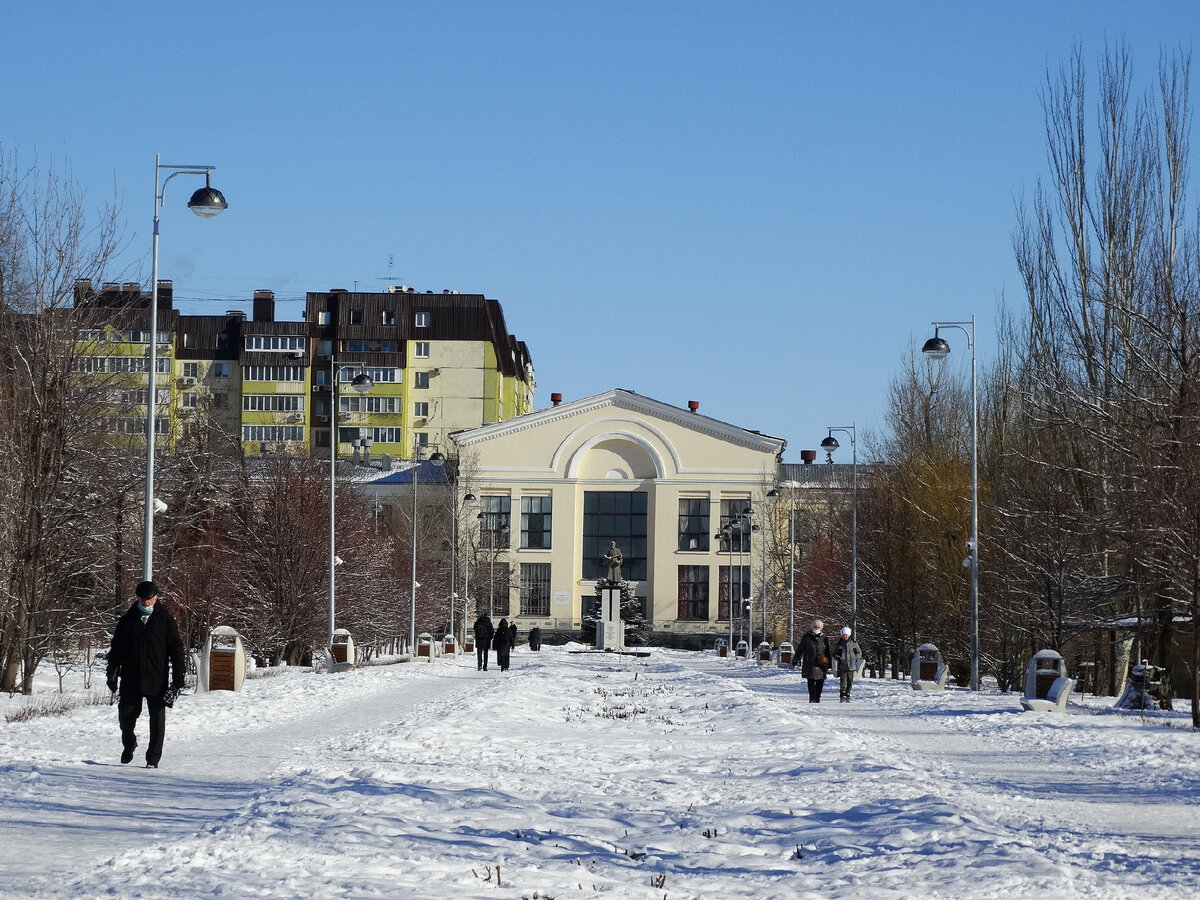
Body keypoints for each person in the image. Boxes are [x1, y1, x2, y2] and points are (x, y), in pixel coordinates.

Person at [105, 581, 186, 768]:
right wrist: (112, 673)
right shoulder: (127, 620)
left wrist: (178, 680)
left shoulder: (165, 619)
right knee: (126, 717)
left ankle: (153, 758)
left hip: (156, 678)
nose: (146, 602)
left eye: (149, 599)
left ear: (156, 597)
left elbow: (176, 650)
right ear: (137, 598)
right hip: (131, 678)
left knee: (157, 720)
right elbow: (116, 650)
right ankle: (129, 743)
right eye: (143, 599)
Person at [796, 619, 832, 703]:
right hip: (810, 662)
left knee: (820, 681)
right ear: (812, 627)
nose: (816, 628)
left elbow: (828, 651)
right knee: (811, 681)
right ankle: (812, 698)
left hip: (821, 663)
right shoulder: (807, 637)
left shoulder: (824, 638)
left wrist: (829, 663)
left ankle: (817, 697)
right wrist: (796, 658)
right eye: (815, 627)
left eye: (818, 627)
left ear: (821, 628)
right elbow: (800, 649)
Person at [833, 626, 864, 702]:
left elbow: (859, 653)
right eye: (843, 635)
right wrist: (839, 657)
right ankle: (842, 694)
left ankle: (848, 694)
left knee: (850, 681)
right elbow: (834, 654)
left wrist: (854, 657)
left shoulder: (854, 644)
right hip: (842, 666)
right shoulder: (839, 644)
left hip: (851, 666)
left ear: (849, 635)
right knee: (843, 681)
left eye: (846, 635)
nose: (845, 636)